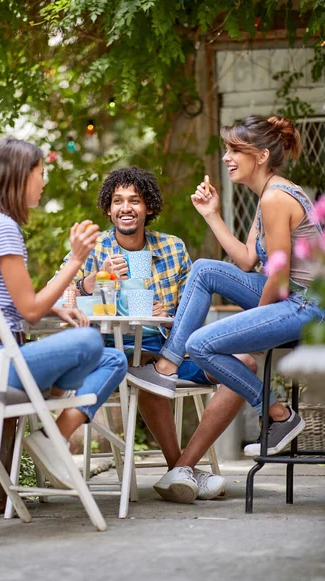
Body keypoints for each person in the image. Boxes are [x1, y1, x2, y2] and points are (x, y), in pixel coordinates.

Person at [128, 115, 325, 472]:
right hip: (289, 296)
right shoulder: (267, 193)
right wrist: (212, 215)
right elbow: (248, 261)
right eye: (227, 149)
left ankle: (278, 414)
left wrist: (255, 331)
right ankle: (168, 366)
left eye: (235, 149)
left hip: (305, 304)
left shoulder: (276, 199)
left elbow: (278, 278)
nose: (226, 157)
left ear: (261, 155)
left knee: (201, 344)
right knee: (205, 269)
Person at [61, 166, 257, 503]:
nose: (126, 207)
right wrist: (91, 281)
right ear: (108, 209)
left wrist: (167, 313)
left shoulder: (171, 248)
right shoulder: (94, 247)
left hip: (168, 348)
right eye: (118, 201)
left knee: (246, 363)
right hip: (115, 349)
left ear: (147, 207)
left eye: (134, 200)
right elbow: (60, 294)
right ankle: (179, 469)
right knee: (148, 364)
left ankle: (183, 466)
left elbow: (191, 307)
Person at [0, 138, 128, 490]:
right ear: (20, 177)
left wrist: (57, 306)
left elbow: (13, 298)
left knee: (114, 359)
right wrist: (77, 259)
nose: (44, 180)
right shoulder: (2, 226)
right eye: (40, 172)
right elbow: (29, 311)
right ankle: (54, 388)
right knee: (89, 340)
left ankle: (52, 436)